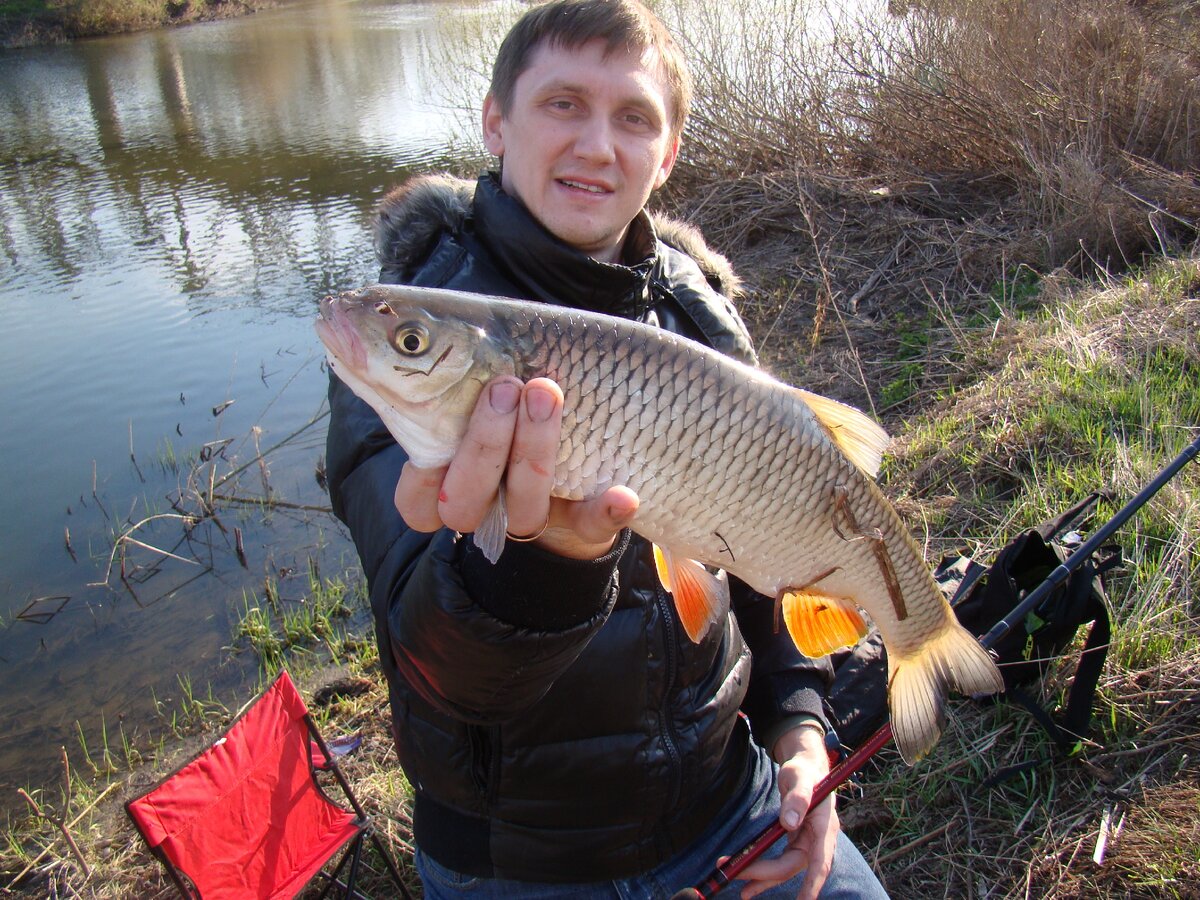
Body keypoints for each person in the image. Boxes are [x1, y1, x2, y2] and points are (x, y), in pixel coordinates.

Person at [325, 1, 891, 897]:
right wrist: (545, 564)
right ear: (494, 123)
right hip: (522, 866)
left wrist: (799, 728)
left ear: (665, 156)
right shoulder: (417, 341)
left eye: (633, 118)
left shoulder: (699, 315)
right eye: (562, 104)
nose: (597, 145)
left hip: (731, 800)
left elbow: (767, 546)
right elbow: (438, 665)